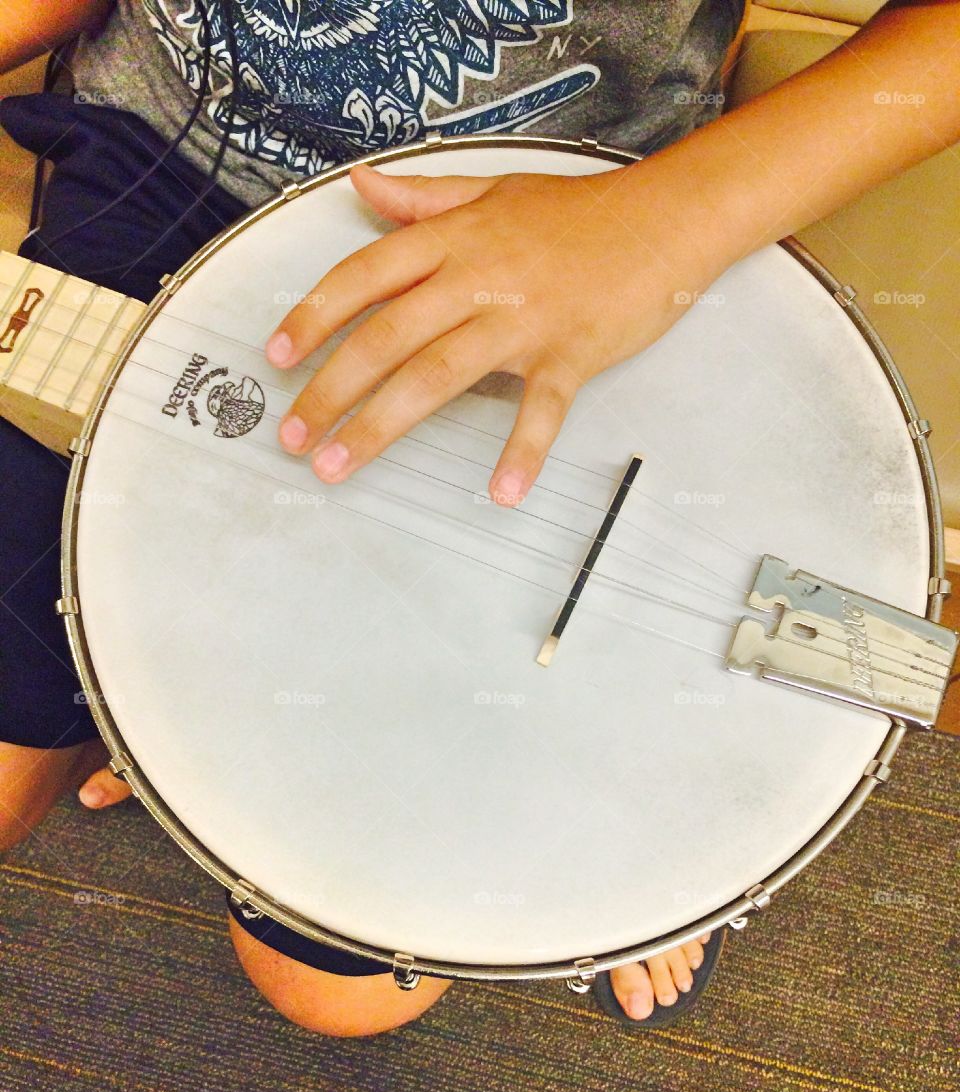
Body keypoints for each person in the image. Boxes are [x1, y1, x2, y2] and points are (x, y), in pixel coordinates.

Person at [1, 0, 958, 1036]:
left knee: (334, 992)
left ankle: (626, 790)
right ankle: (149, 695)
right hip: (172, 161)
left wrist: (681, 216)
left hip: (575, 209)